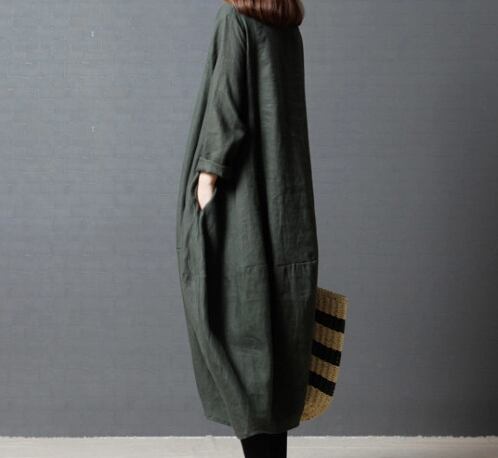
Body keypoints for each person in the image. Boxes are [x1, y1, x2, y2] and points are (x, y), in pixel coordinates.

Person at [175, 1, 318, 456]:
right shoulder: (287, 30)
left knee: (239, 335)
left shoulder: (235, 21)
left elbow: (227, 109)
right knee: (276, 340)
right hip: (286, 209)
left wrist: (205, 186)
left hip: (243, 208)